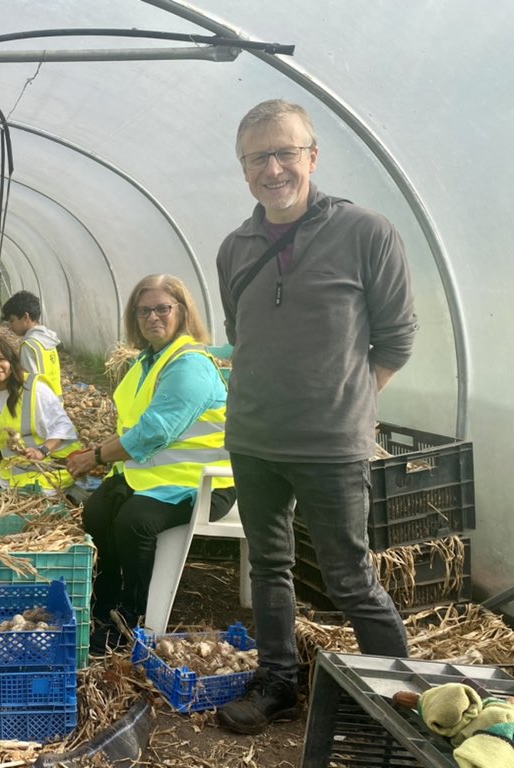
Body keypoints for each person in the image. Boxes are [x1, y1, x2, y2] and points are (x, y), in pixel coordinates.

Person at [213, 99, 418, 734]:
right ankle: (280, 684)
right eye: (257, 158)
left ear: (312, 157)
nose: (272, 168)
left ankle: (402, 696)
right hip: (253, 439)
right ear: (243, 168)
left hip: (332, 446)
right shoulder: (234, 247)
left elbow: (398, 337)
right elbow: (242, 333)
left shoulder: (366, 232)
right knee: (269, 567)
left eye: (285, 153)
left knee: (348, 576)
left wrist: (348, 399)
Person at [66, 275, 236, 653]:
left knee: (134, 523)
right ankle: (104, 602)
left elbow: (152, 433)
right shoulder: (149, 360)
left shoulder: (189, 365)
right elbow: (136, 428)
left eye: (163, 308)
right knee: (97, 509)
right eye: (144, 310)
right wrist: (104, 454)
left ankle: (133, 619)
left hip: (203, 483)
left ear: (182, 311)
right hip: (152, 475)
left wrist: (94, 457)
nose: (152, 317)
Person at [0, 336, 81, 493]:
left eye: (1, 359)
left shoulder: (35, 388)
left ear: (11, 361)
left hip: (53, 468)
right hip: (13, 471)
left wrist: (42, 451)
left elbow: (64, 426)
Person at [2, 290, 63, 397]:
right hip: (55, 400)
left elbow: (30, 382)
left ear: (26, 316)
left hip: (39, 405)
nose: (10, 327)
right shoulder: (48, 339)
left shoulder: (29, 346)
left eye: (12, 321)